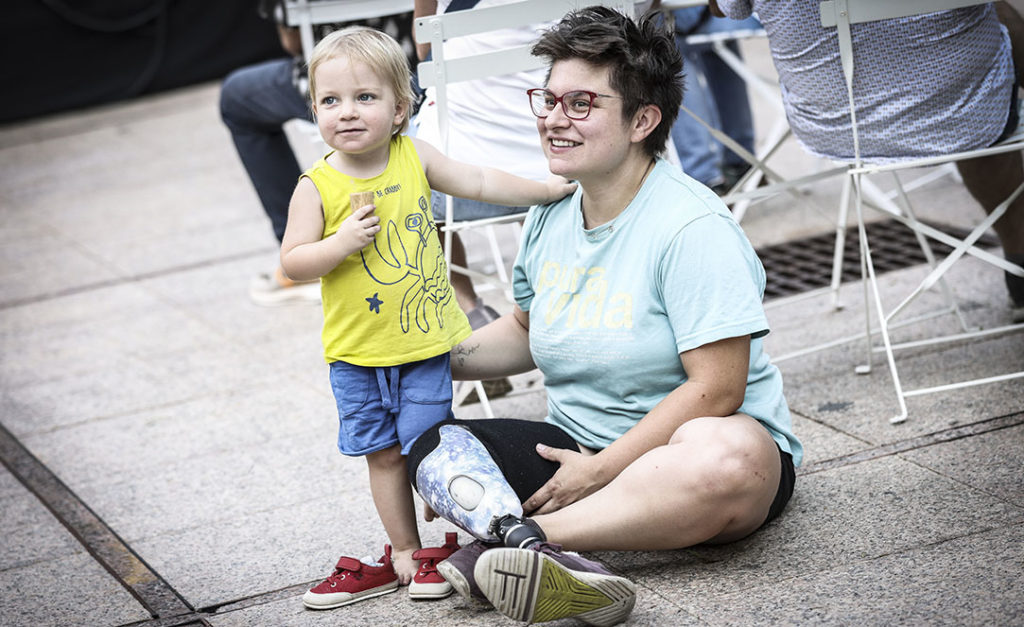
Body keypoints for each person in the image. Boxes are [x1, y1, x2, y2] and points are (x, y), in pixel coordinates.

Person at [403, 7, 803, 625]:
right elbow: (526, 330)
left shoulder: (692, 226)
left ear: (643, 120)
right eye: (548, 100)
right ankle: (549, 556)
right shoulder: (552, 211)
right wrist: (428, 359)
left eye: (581, 104)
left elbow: (717, 389)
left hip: (690, 451)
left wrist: (600, 472)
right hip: (575, 449)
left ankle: (526, 539)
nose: (553, 119)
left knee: (731, 458)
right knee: (435, 446)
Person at [279, 26, 576, 610]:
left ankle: (456, 545)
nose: (347, 111)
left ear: (400, 109)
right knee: (384, 456)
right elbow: (293, 261)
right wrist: (340, 243)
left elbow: (479, 180)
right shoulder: (316, 187)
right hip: (357, 355)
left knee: (428, 449)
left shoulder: (412, 157)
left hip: (422, 347)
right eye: (331, 100)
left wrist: (544, 190)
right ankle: (404, 551)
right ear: (314, 109)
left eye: (365, 97)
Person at [711, 0, 1024, 321]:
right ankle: (1018, 260)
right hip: (965, 114)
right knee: (997, 16)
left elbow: (724, 8)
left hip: (839, 126)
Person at [219, 2, 418, 306]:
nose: (349, 113)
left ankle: (303, 245)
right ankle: (306, 250)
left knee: (236, 97)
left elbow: (293, 41)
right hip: (422, 73)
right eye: (324, 103)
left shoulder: (420, 155)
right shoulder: (420, 152)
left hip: (338, 75)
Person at [669, 7, 761, 194]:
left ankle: (705, 178)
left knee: (665, 40)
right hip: (749, 15)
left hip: (705, 17)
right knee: (718, 43)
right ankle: (741, 162)